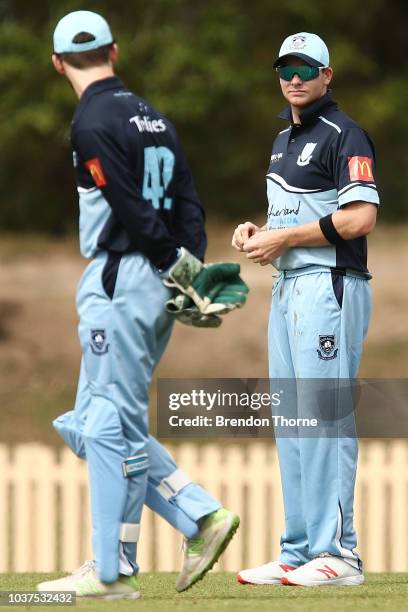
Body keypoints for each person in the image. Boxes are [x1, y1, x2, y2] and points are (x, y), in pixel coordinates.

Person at [37, 10, 240, 599]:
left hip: (123, 275)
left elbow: (126, 204)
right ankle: (197, 516)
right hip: (155, 277)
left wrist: (172, 265)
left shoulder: (90, 121)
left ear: (57, 64)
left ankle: (112, 569)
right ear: (114, 52)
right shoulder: (154, 117)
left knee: (104, 425)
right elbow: (189, 202)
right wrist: (188, 267)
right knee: (89, 423)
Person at [233, 32, 378, 586]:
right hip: (289, 288)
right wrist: (259, 234)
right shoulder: (281, 141)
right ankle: (297, 550)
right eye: (285, 68)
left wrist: (285, 239)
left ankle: (339, 555)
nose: (294, 78)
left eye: (305, 68)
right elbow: (296, 220)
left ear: (327, 75)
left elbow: (359, 219)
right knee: (292, 422)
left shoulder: (347, 134)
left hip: (330, 286)